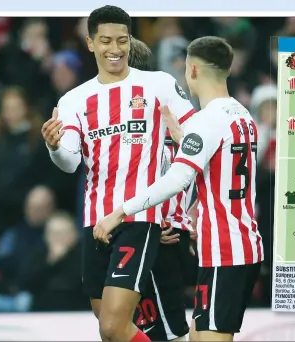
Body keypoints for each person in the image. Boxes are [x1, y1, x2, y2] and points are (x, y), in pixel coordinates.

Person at [40, 6, 196, 342]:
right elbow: (70, 162)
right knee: (111, 329)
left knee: (114, 325)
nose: (116, 48)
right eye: (107, 40)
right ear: (90, 43)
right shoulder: (74, 99)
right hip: (95, 221)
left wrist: (179, 214)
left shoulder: (159, 84)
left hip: (140, 218)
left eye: (122, 40)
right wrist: (54, 146)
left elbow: (194, 142)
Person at [94, 36, 264, 342]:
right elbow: (222, 165)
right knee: (197, 338)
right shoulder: (242, 115)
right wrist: (184, 137)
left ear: (193, 71)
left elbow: (177, 179)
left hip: (226, 249)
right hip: (236, 244)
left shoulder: (207, 121)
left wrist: (120, 211)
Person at [127, 37, 193, 342]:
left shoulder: (153, 114)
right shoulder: (171, 111)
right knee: (145, 327)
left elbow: (168, 173)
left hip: (159, 234)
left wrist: (166, 221)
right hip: (152, 232)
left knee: (166, 331)